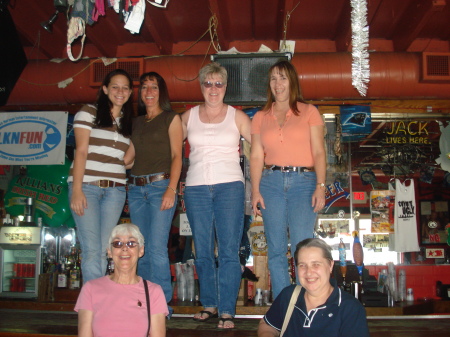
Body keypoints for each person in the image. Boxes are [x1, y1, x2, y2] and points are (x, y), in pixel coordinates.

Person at [181, 62, 251, 329]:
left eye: (218, 84)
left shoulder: (239, 117)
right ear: (201, 86)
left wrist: (255, 186)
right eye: (208, 83)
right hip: (196, 188)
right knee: (202, 250)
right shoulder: (187, 117)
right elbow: (173, 151)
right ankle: (209, 304)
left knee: (230, 251)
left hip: (230, 187)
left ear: (225, 87)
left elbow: (257, 150)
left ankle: (227, 310)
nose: (213, 89)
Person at [250, 60, 326, 299]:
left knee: (304, 249)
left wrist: (321, 187)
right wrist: (255, 191)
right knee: (275, 250)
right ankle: (286, 305)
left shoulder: (309, 111)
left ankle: (308, 302)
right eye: (273, 78)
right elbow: (255, 156)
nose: (277, 83)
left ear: (292, 81)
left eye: (282, 77)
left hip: (304, 182)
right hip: (270, 182)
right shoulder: (260, 117)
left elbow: (319, 152)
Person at [68, 69, 134, 283]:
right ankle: (93, 305)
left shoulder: (127, 121)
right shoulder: (89, 112)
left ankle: (100, 300)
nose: (120, 91)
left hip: (115, 190)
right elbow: (81, 151)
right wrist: (77, 190)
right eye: (115, 86)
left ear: (131, 92)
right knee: (92, 249)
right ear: (105, 89)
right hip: (87, 186)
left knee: (107, 248)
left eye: (125, 87)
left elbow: (129, 159)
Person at [126, 72, 183, 307]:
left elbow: (177, 156)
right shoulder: (136, 122)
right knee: (142, 248)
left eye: (154, 87)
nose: (149, 92)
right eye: (145, 88)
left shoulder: (171, 118)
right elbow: (128, 159)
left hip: (161, 186)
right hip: (136, 189)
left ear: (162, 92)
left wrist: (172, 189)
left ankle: (162, 305)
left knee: (157, 248)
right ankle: (144, 301)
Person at [257, 238, 370, 337]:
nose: (309, 272)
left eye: (316, 264)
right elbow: (267, 326)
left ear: (330, 265)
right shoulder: (289, 295)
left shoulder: (350, 308)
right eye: (302, 265)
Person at [75, 223, 168, 337]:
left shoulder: (154, 292)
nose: (124, 248)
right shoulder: (90, 289)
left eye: (131, 243)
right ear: (109, 251)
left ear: (141, 251)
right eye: (117, 243)